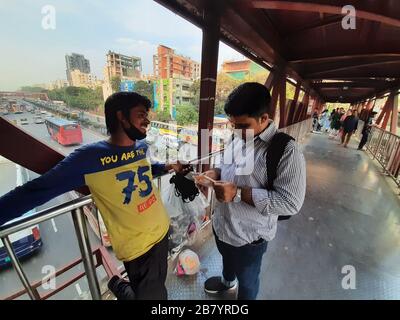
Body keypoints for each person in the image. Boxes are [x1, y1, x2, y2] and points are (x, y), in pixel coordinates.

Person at [0, 92, 189, 300]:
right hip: (139, 248)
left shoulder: (141, 148)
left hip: (161, 230)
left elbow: (143, 170)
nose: (148, 120)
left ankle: (120, 286)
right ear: (121, 116)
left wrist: (167, 166)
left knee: (156, 284)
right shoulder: (88, 158)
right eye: (141, 114)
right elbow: (36, 190)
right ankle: (121, 287)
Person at [199, 83, 306, 300]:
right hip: (223, 225)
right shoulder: (237, 137)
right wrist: (214, 173)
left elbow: (291, 203)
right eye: (233, 125)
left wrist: (238, 193)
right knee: (226, 261)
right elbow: (227, 168)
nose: (236, 131)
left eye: (243, 125)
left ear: (264, 118)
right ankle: (227, 282)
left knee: (248, 283)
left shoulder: (286, 150)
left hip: (249, 237)